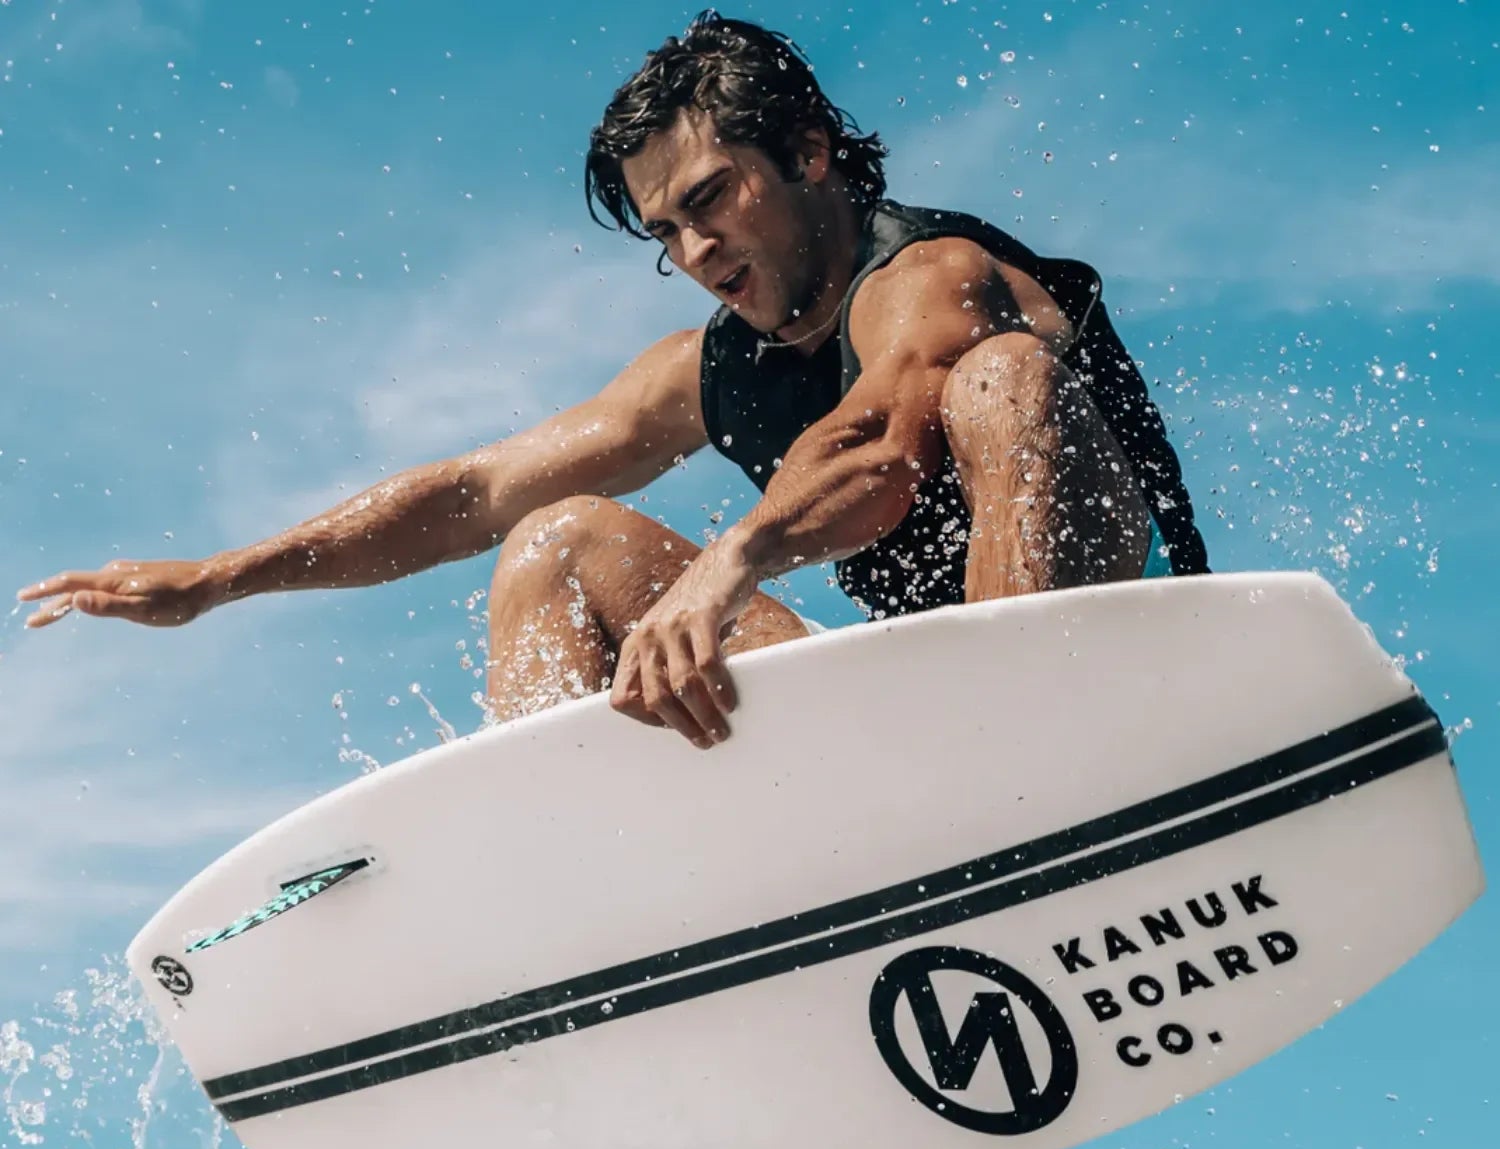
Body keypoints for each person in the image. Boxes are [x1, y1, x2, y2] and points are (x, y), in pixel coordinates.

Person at [17, 11, 1208, 751]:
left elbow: (882, 446)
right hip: (922, 731)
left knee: (1002, 382)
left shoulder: (935, 273)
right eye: (664, 232)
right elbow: (473, 490)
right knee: (555, 537)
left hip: (1117, 666)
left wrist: (724, 567)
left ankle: (1033, 763)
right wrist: (219, 580)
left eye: (711, 201)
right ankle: (582, 893)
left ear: (807, 155)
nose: (693, 253)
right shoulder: (709, 370)